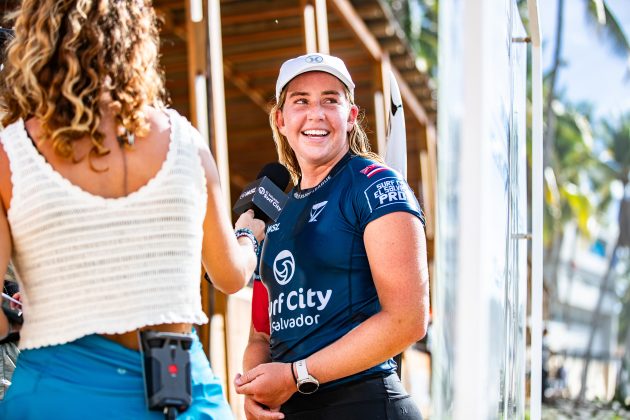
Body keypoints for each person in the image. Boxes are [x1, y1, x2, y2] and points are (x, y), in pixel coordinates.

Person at [0, 1, 265, 418]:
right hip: (179, 396)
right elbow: (230, 277)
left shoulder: (11, 153)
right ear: (136, 42)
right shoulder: (185, 142)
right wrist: (248, 235)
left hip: (58, 399)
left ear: (38, 43)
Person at [234, 53, 430, 420]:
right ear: (280, 120)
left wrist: (296, 375)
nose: (316, 114)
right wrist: (255, 388)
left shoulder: (376, 184)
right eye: (301, 102)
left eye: (330, 100)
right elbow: (261, 335)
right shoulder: (275, 212)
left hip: (366, 404)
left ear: (351, 116)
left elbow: (408, 319)